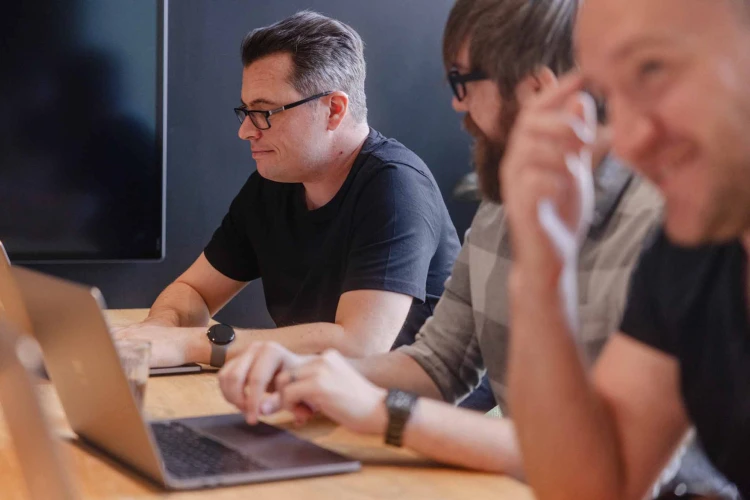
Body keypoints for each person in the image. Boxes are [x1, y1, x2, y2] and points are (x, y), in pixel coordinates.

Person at [215, 3, 726, 494]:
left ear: (537, 89)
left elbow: (605, 464)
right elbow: (439, 364)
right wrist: (305, 375)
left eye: (463, 80)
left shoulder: (671, 223)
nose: (456, 103)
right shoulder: (503, 205)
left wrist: (385, 413)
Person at [502, 0, 750, 498]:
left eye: (652, 69)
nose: (630, 143)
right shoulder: (694, 252)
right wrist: (544, 268)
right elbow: (592, 487)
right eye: (609, 97)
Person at [118, 11, 460, 368]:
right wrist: (158, 331)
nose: (246, 131)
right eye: (246, 111)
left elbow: (360, 346)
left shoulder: (396, 187)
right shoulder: (274, 184)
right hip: (323, 401)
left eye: (264, 112)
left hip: (416, 413)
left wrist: (188, 345)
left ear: (334, 110)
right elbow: (193, 291)